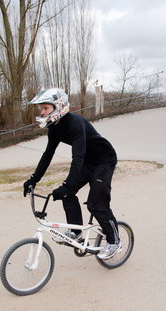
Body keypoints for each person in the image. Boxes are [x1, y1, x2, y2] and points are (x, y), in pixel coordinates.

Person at [23, 88, 120, 260]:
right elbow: (48, 155)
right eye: (41, 109)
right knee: (66, 193)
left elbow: (78, 157)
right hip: (88, 162)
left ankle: (114, 242)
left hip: (104, 161)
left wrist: (68, 184)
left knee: (96, 204)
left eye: (45, 108)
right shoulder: (54, 128)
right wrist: (33, 179)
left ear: (58, 107)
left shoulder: (75, 123)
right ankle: (76, 231)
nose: (42, 112)